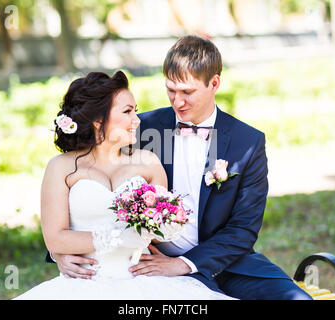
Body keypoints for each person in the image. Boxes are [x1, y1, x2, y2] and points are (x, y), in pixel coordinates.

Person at [52, 35, 313, 300]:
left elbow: (243, 229)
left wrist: (184, 265)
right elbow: (79, 178)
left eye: (187, 92)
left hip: (227, 264)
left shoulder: (247, 142)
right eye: (171, 90)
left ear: (214, 83)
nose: (177, 101)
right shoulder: (140, 128)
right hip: (148, 264)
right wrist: (60, 253)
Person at [14, 70, 233, 300]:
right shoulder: (61, 167)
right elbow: (55, 238)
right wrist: (116, 237)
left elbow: (160, 232)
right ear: (98, 120)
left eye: (135, 111)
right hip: (84, 283)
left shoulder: (148, 162)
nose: (137, 120)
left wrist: (166, 224)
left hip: (143, 280)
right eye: (127, 111)